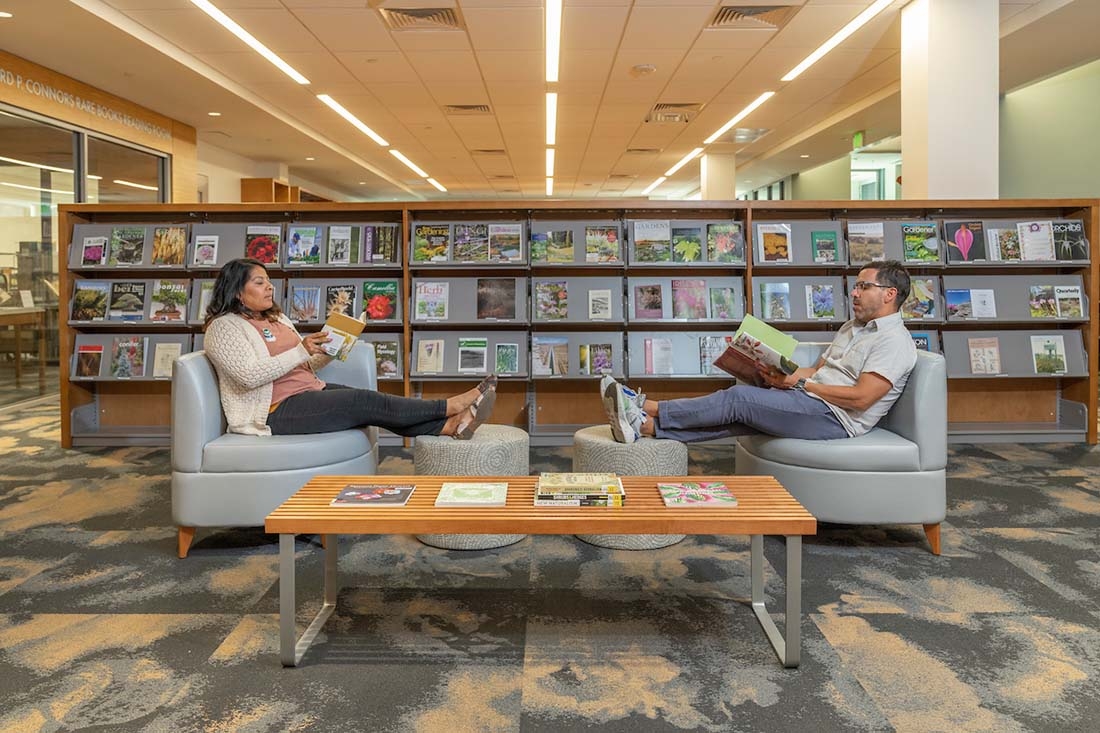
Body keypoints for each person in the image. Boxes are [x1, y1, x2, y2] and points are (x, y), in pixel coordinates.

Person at [601, 260, 917, 444]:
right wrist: (782, 373)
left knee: (737, 400)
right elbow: (818, 370)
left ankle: (644, 405)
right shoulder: (853, 327)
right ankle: (643, 428)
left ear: (890, 294)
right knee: (745, 416)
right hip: (815, 400)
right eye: (856, 286)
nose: (855, 292)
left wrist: (799, 385)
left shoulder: (893, 341)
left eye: (864, 287)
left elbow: (862, 397)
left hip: (836, 418)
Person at [203, 258, 495, 439]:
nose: (270, 287)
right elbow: (248, 376)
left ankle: (447, 427)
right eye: (259, 282)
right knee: (365, 402)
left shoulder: (276, 318)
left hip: (308, 391)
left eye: (269, 281)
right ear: (237, 291)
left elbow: (303, 365)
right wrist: (301, 350)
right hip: (273, 411)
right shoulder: (223, 328)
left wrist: (328, 350)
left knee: (376, 403)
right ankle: (450, 407)